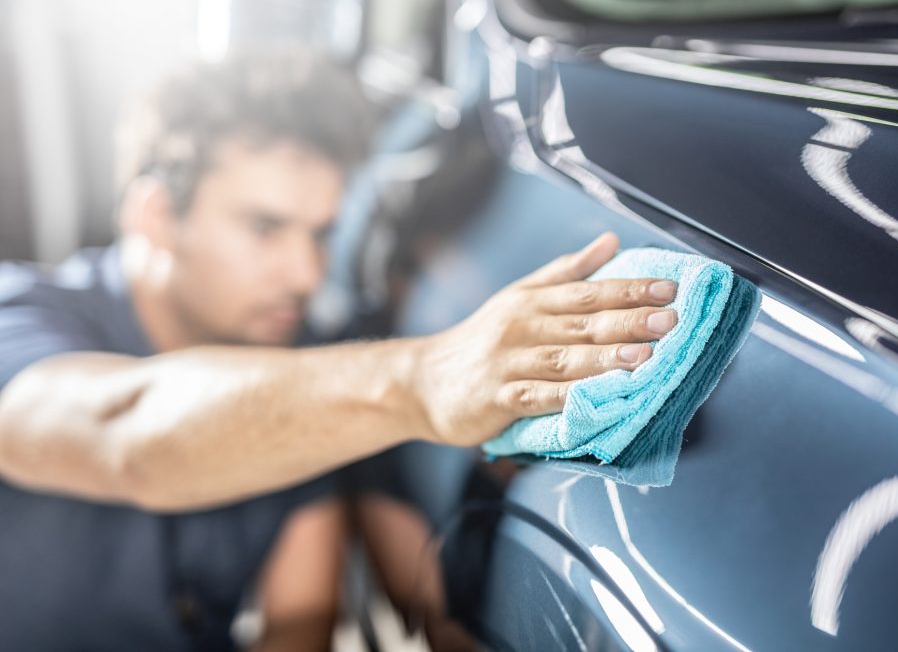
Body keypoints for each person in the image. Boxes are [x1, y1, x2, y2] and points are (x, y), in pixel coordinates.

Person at [0, 50, 680, 650]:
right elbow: (123, 431)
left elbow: (300, 622)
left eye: (321, 233)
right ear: (155, 216)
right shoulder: (18, 317)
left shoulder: (305, 371)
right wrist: (423, 377)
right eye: (264, 227)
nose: (305, 273)